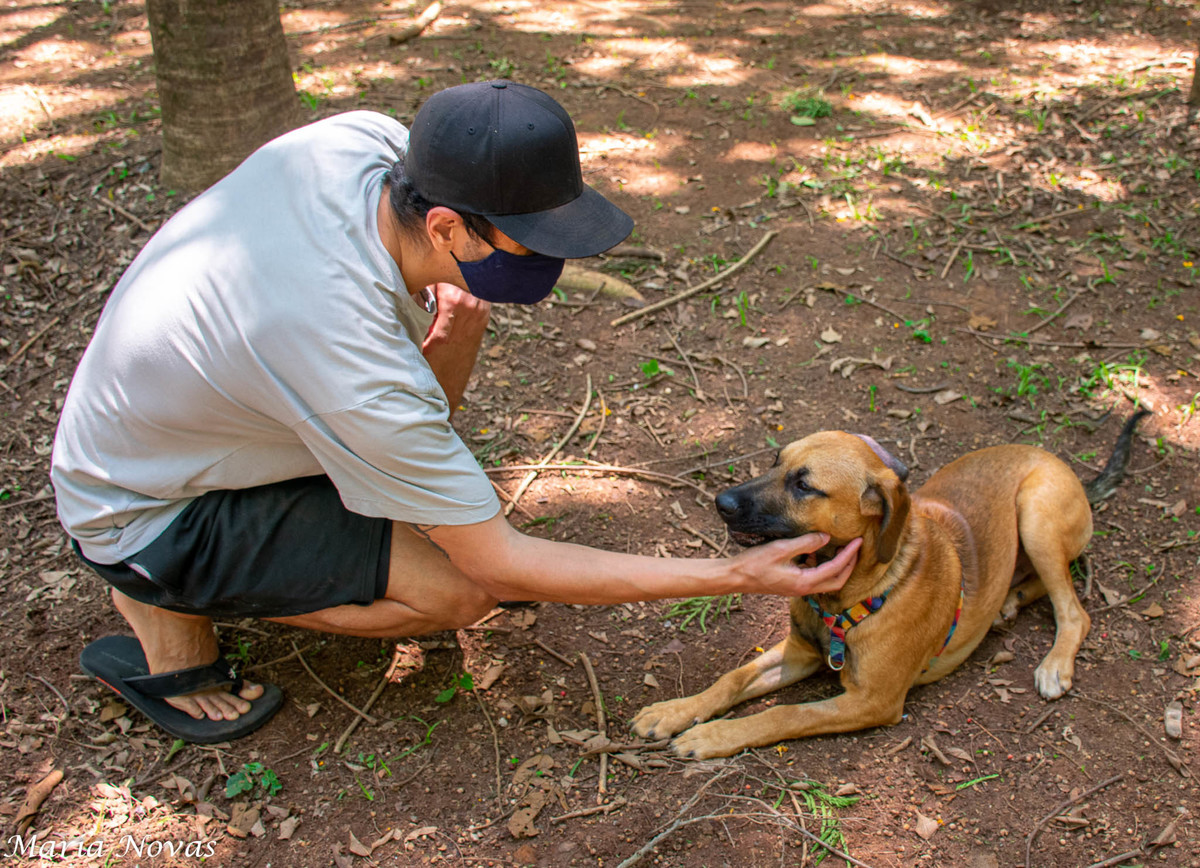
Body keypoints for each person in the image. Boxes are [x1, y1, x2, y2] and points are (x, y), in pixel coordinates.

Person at [51, 80, 861, 743]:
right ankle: (162, 597)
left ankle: (190, 567)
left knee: (435, 517)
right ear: (445, 225)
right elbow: (497, 564)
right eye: (530, 239)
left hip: (194, 429)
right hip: (148, 503)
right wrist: (731, 573)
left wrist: (461, 322)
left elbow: (413, 417)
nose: (553, 256)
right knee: (459, 595)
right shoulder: (344, 358)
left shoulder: (360, 145)